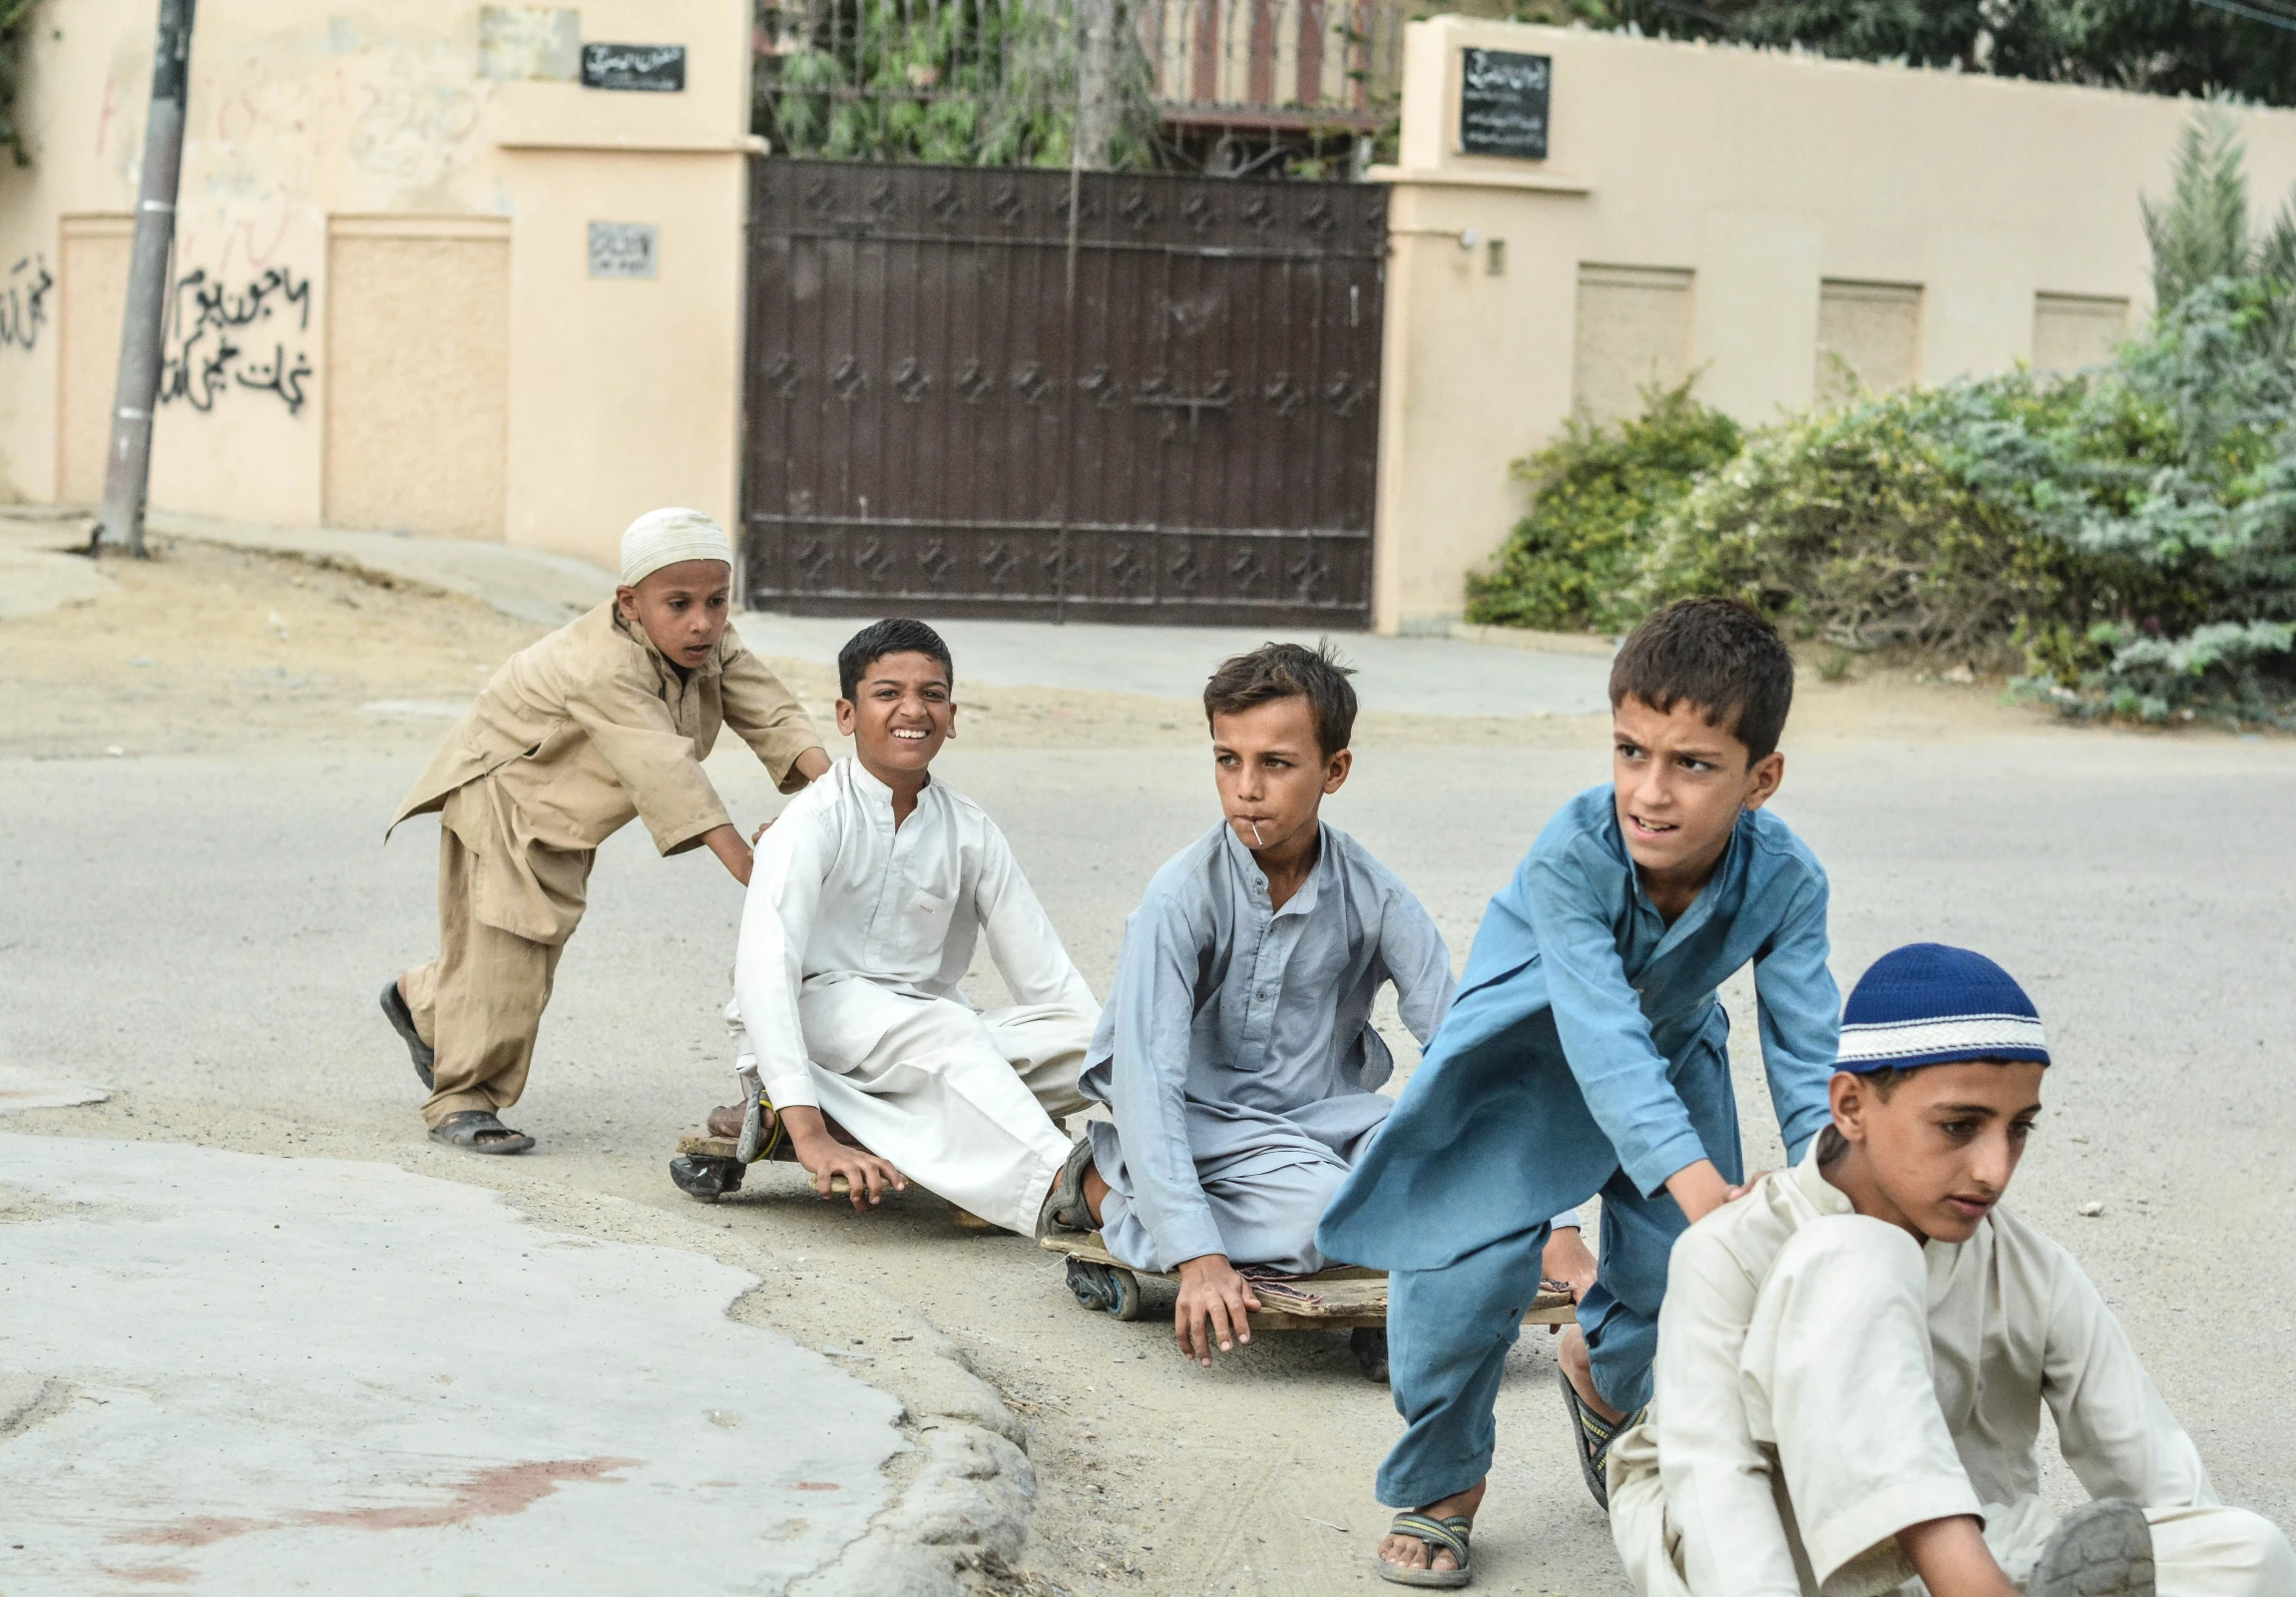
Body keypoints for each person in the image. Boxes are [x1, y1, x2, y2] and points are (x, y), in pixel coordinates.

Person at [1318, 597, 1843, 1588]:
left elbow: (1808, 1049)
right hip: (1523, 1067)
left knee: (1678, 1280)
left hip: (1674, 1060)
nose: (1650, 791)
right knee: (1462, 1285)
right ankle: (1442, 1487)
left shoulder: (1788, 880)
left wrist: (1831, 1186)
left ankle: (1604, 1386)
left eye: (1692, 763)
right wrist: (1706, 1191)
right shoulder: (1575, 853)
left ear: (1760, 778)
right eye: (1631, 751)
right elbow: (1598, 1034)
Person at [1609, 942, 2296, 1597]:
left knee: (2245, 1549)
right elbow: (1713, 1485)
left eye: (2018, 1127)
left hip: (1984, 1547)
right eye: (1958, 1125)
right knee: (1856, 1253)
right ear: (1850, 1106)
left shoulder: (2031, 1269)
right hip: (1776, 1558)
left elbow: (2163, 1489)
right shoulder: (1731, 1247)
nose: (1994, 1169)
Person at [1043, 642, 1457, 1368]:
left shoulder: (1376, 895)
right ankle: (1103, 1186)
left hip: (1321, 1123)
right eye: (1226, 760)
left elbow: (1463, 1049)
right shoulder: (1180, 898)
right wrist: (1199, 1258)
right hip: (1199, 1124)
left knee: (1450, 1176)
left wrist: (1556, 1228)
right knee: (1327, 1209)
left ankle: (1359, 1239)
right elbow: (1146, 1082)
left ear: (1335, 770)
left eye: (1275, 763)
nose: (1245, 788)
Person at [379, 508, 828, 1154]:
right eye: (678, 603)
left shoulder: (709, 643)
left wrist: (839, 793)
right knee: (511, 956)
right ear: (630, 603)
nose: (701, 620)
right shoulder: (603, 665)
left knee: (513, 949)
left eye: (715, 601)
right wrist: (752, 869)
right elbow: (664, 768)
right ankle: (461, 1099)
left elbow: (772, 712)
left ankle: (419, 998)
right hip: (504, 798)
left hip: (564, 814)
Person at [719, 618, 1099, 1234]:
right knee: (947, 1032)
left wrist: (1104, 1055)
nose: (913, 710)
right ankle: (1068, 1188)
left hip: (928, 1037)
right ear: (847, 714)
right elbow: (765, 974)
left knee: (1097, 1038)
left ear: (952, 714)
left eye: (932, 694)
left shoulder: (970, 829)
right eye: (888, 692)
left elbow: (1046, 978)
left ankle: (898, 1127)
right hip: (817, 1016)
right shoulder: (811, 821)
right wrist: (810, 1137)